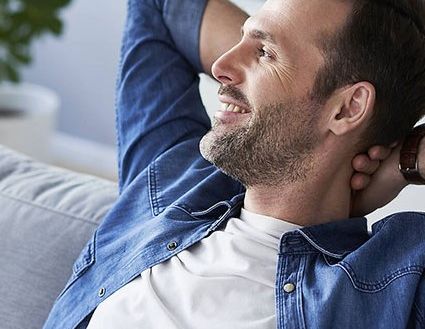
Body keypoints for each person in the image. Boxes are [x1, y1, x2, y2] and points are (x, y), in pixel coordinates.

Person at [43, 0, 425, 328]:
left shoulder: (394, 278)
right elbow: (157, 8)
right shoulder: (174, 184)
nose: (221, 65)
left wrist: (411, 160)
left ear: (347, 108)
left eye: (265, 54)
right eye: (241, 39)